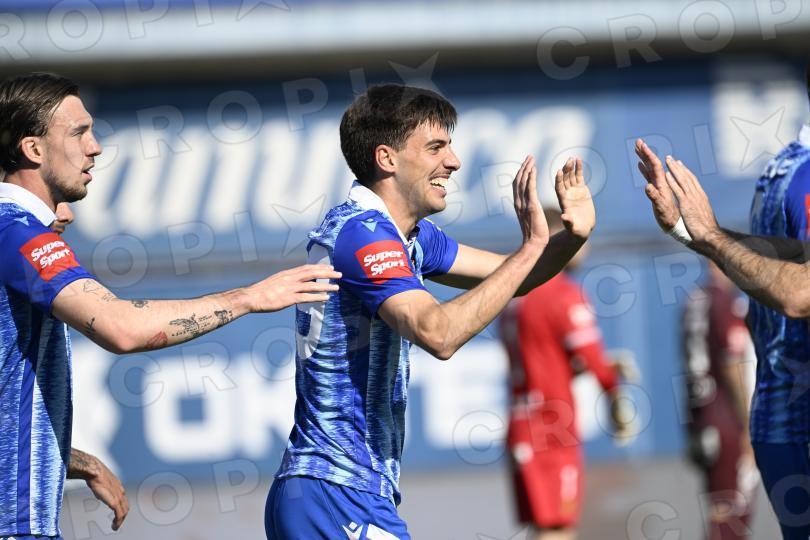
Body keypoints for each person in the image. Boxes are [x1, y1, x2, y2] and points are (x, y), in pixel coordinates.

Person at [0, 72, 341, 540]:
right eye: (79, 133)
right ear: (33, 149)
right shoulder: (16, 231)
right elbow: (122, 328)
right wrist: (248, 298)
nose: (95, 147)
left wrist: (75, 460)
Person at [264, 84, 596, 539]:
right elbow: (437, 333)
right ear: (387, 158)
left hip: (345, 491)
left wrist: (571, 238)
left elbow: (514, 277)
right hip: (333, 489)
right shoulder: (363, 234)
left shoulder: (410, 236)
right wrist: (531, 248)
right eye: (436, 148)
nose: (454, 162)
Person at [637, 61, 810, 540]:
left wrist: (695, 233)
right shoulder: (803, 175)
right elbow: (800, 293)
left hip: (776, 421)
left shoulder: (783, 168)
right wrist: (708, 236)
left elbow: (788, 259)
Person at [498, 209, 635, 540]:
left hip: (522, 424)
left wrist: (581, 367)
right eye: (578, 236)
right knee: (558, 528)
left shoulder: (513, 295)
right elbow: (592, 358)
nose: (585, 246)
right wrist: (614, 393)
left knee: (543, 527)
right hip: (551, 427)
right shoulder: (561, 293)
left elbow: (543, 357)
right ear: (556, 239)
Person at [682, 262, 758, 540]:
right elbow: (731, 362)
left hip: (702, 415)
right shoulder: (724, 301)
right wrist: (748, 422)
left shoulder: (694, 300)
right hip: (726, 418)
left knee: (720, 507)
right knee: (733, 513)